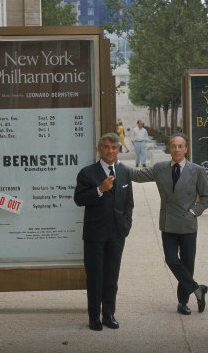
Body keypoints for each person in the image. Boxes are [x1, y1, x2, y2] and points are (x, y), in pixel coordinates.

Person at [129, 133, 208, 315]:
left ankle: (182, 303)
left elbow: (206, 198)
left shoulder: (197, 170)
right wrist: (114, 166)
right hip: (168, 224)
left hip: (188, 224)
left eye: (180, 146)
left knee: (188, 265)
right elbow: (137, 175)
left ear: (186, 148)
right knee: (172, 260)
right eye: (173, 146)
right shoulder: (160, 168)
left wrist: (194, 211)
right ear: (169, 148)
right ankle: (198, 289)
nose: (176, 149)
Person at [74, 133, 134, 331]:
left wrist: (126, 224)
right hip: (95, 234)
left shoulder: (124, 172)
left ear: (118, 150)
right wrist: (99, 189)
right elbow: (79, 199)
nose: (110, 151)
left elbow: (128, 203)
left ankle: (109, 314)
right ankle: (94, 317)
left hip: (117, 233)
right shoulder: (87, 173)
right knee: (95, 276)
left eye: (114, 147)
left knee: (111, 276)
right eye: (106, 147)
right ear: (99, 149)